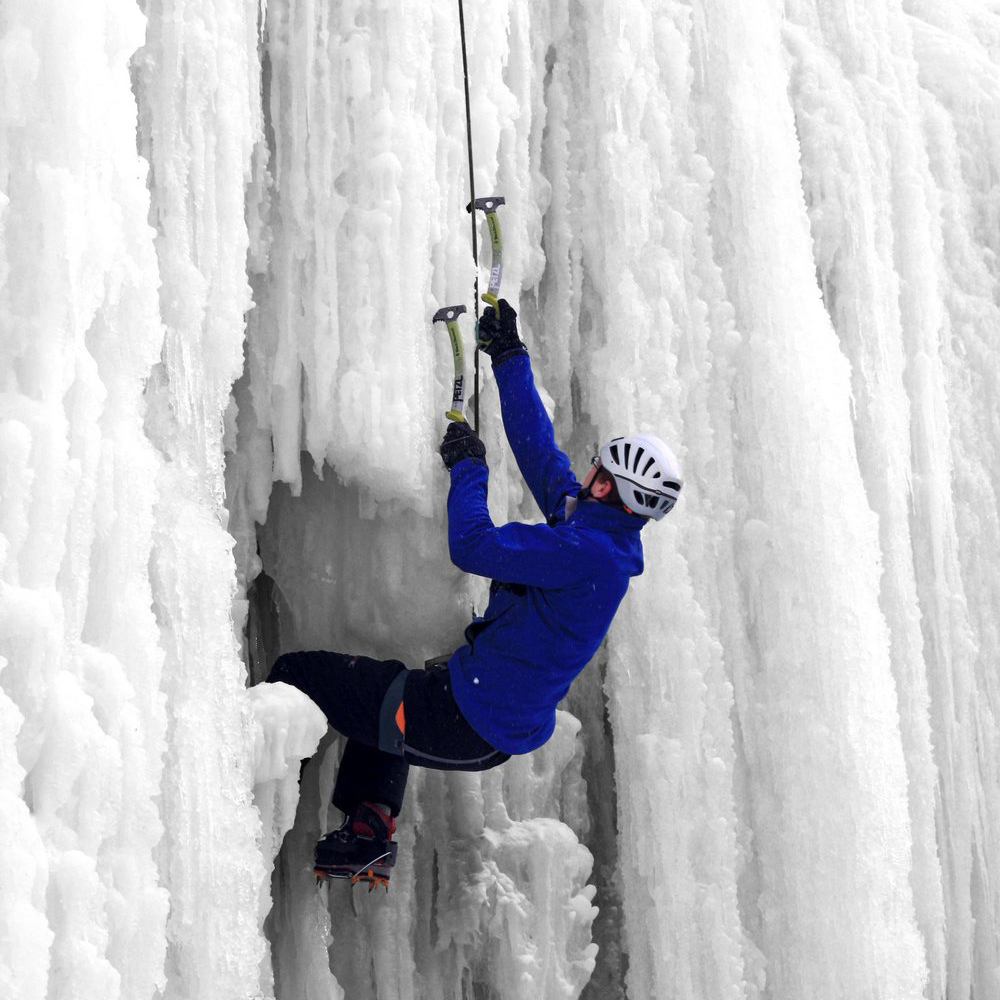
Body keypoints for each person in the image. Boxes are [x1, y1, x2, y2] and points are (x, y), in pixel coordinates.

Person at [265, 299, 683, 887]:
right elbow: (540, 453)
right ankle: (366, 830)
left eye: (599, 472)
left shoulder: (586, 554)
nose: (586, 474)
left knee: (300, 673)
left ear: (615, 490)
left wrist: (467, 469)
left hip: (463, 718)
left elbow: (474, 546)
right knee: (380, 698)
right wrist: (508, 356)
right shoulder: (597, 531)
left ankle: (253, 802)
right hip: (477, 715)